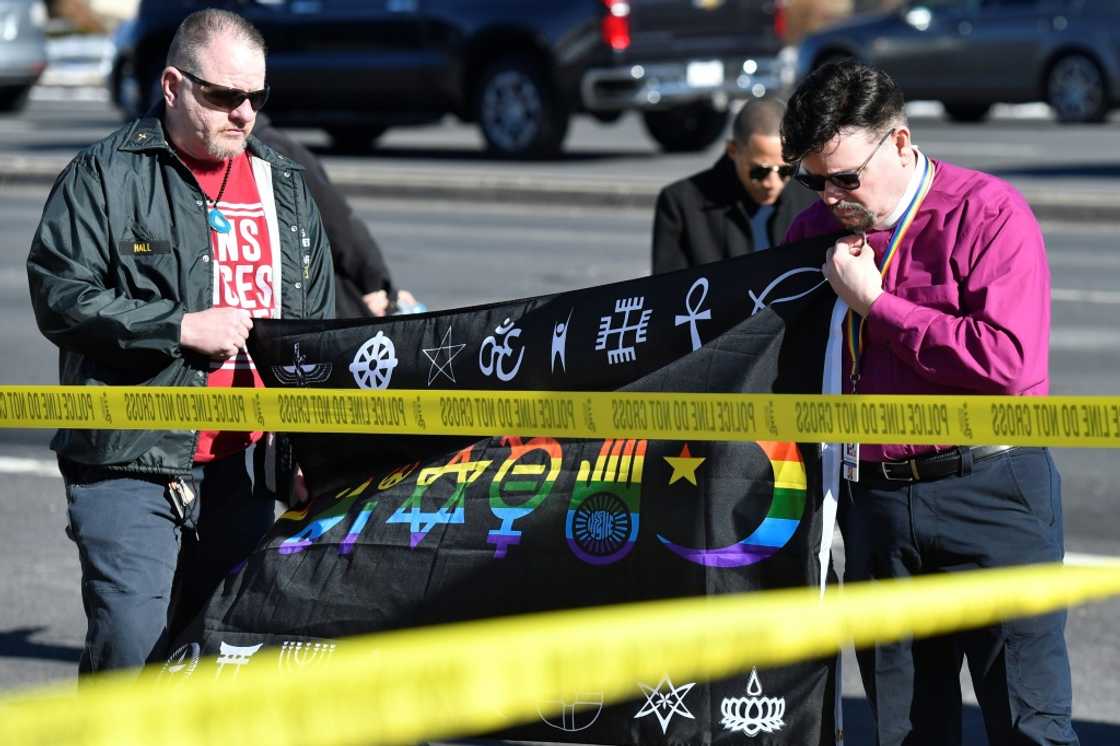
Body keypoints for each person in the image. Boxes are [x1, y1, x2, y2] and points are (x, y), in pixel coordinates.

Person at [26, 9, 335, 675]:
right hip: (131, 457)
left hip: (247, 464)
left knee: (218, 651)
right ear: (172, 86)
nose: (244, 114)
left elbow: (319, 331)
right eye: (224, 96)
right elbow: (61, 294)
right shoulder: (105, 175)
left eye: (256, 97)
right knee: (132, 645)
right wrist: (177, 327)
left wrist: (314, 449)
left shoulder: (284, 184)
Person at [781, 61, 1075, 746]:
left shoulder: (988, 214)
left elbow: (1004, 363)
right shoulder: (810, 239)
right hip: (878, 505)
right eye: (814, 180)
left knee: (1029, 725)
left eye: (846, 178)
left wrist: (878, 306)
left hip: (992, 491)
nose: (829, 196)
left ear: (902, 144)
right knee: (904, 730)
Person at [251, 113, 420, 317]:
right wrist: (381, 288)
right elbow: (340, 225)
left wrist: (381, 289)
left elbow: (338, 226)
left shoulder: (273, 150)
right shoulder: (276, 149)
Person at [650, 97, 816, 274]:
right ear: (732, 150)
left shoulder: (812, 199)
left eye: (786, 171)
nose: (772, 183)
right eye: (759, 171)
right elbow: (668, 292)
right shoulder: (680, 203)